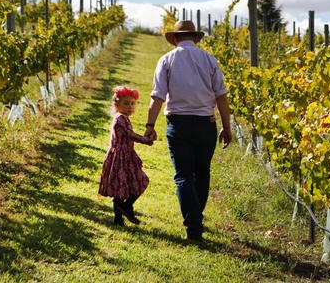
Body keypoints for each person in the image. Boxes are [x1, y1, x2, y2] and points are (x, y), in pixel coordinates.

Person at [145, 20, 232, 241]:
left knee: (183, 176)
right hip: (206, 124)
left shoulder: (166, 60)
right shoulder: (210, 60)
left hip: (179, 124)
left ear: (174, 39)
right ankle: (196, 216)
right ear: (195, 38)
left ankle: (194, 226)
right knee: (202, 173)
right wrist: (226, 127)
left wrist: (150, 125)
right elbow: (221, 96)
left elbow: (157, 97)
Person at [99, 86, 153, 226]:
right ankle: (125, 209)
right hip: (120, 157)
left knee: (125, 185)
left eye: (132, 103)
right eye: (126, 103)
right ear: (116, 105)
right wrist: (146, 140)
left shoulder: (123, 118)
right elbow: (130, 135)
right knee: (137, 182)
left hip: (125, 156)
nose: (130, 107)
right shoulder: (121, 119)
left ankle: (121, 214)